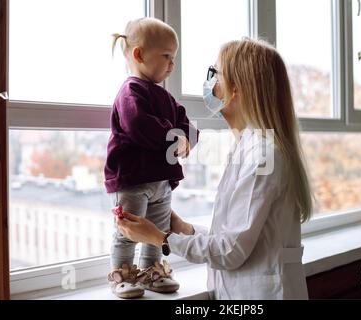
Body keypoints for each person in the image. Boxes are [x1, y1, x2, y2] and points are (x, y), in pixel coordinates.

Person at [117, 38, 313, 300]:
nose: (210, 83)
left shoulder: (265, 155)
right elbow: (238, 237)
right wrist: (183, 228)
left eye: (215, 74)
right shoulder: (249, 145)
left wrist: (160, 238)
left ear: (236, 89)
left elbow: (230, 252)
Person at [104, 17, 199, 299]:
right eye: (166, 56)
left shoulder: (166, 97)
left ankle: (151, 271)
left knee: (157, 230)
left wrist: (187, 138)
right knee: (128, 230)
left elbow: (188, 128)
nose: (172, 64)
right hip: (132, 179)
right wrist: (174, 135)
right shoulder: (130, 91)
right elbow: (139, 125)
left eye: (175, 57)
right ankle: (122, 274)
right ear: (139, 55)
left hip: (161, 181)